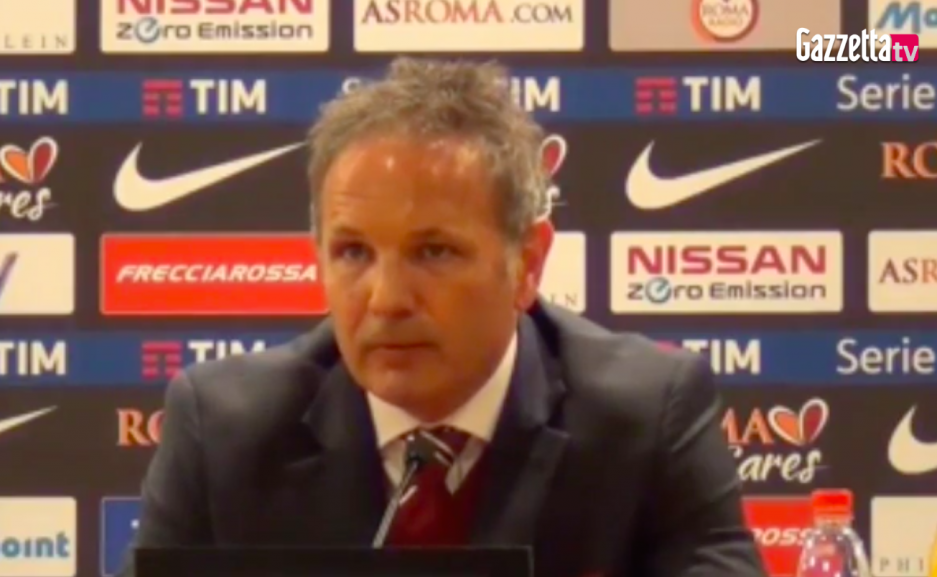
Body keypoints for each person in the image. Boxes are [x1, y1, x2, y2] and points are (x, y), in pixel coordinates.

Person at [119, 57, 765, 577]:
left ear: (527, 263)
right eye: (353, 252)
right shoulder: (225, 430)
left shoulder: (644, 417)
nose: (386, 298)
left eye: (433, 251)